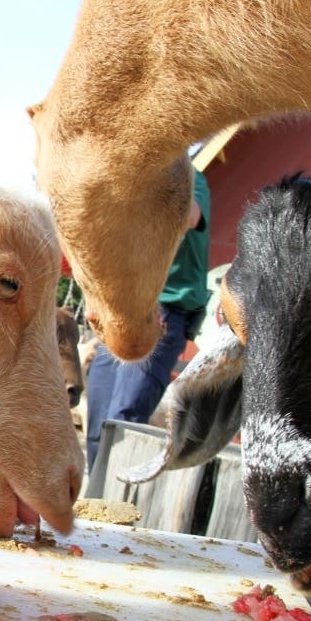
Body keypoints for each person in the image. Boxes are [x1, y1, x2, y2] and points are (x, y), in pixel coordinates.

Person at [85, 165, 211, 471]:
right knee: (98, 420)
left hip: (163, 312)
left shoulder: (188, 177)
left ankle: (109, 507)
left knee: (123, 419)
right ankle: (93, 501)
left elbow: (190, 216)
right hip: (119, 311)